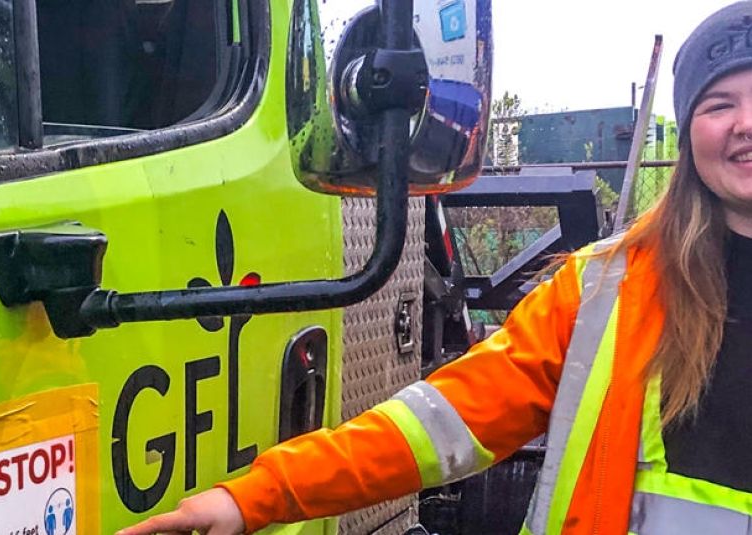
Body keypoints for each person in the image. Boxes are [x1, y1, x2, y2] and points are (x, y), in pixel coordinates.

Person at [119, 2, 752, 533]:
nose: (745, 124)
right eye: (719, 104)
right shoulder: (607, 293)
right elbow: (439, 423)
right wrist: (250, 497)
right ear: (691, 129)